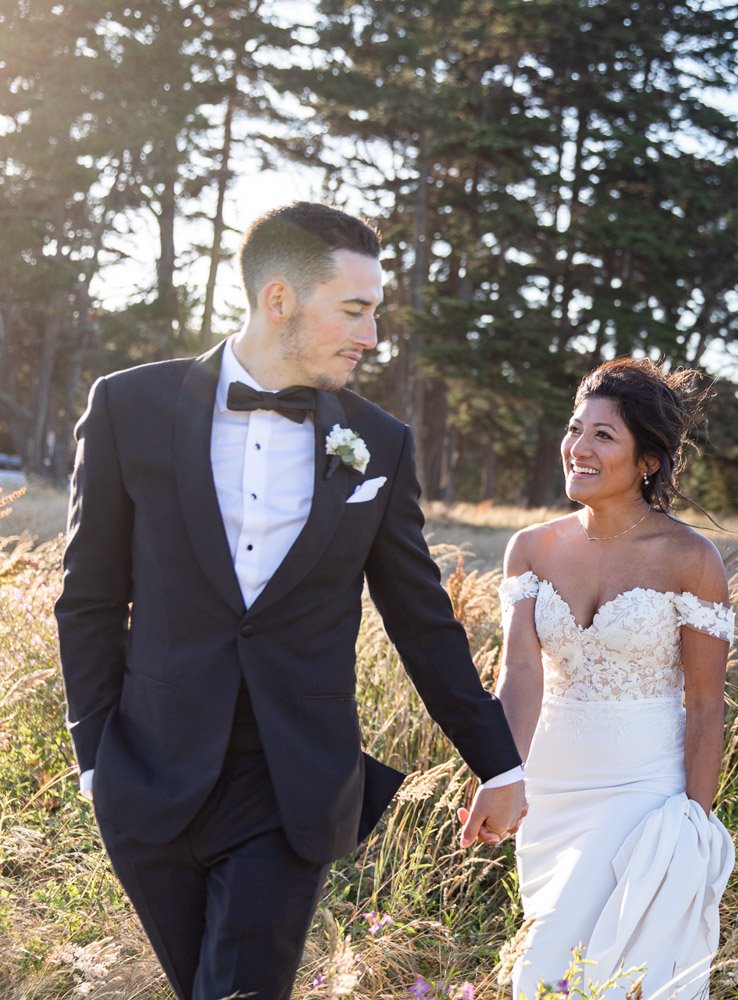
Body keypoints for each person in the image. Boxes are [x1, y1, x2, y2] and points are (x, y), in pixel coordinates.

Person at [54, 201, 526, 1000]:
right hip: (149, 771)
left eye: (375, 313)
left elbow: (421, 617)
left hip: (290, 779)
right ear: (279, 299)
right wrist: (96, 756)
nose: (372, 337)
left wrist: (498, 760)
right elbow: (89, 598)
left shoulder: (380, 443)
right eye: (355, 310)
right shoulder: (128, 407)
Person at [496, 358, 736, 999]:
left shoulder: (691, 559)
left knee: (548, 975)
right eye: (576, 429)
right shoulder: (532, 548)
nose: (578, 447)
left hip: (643, 793)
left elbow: (706, 702)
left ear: (647, 461)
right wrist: (502, 773)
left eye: (604, 435)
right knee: (573, 967)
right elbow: (520, 672)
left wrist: (694, 827)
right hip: (551, 791)